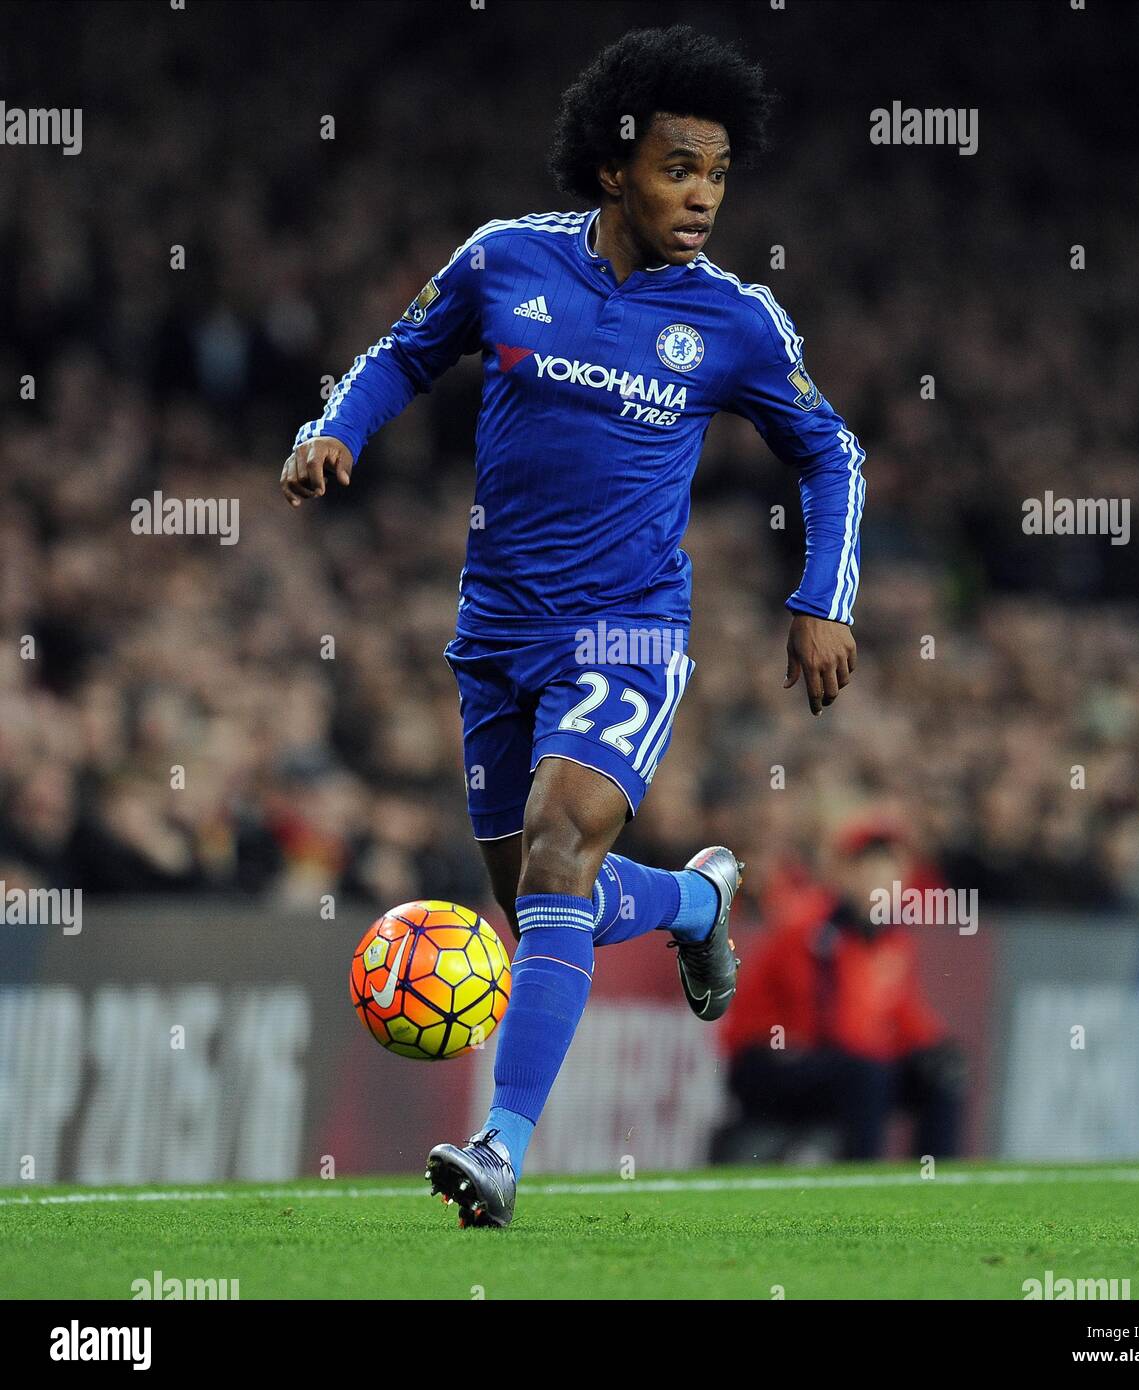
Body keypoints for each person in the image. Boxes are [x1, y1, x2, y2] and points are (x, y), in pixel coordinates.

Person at [280, 25, 865, 1226]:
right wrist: (337, 425)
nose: (701, 195)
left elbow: (831, 451)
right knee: (547, 899)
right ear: (613, 167)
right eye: (676, 168)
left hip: (627, 634)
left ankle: (500, 1147)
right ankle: (698, 904)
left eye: (716, 172)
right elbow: (403, 353)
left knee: (558, 849)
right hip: (494, 632)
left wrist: (821, 599)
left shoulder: (738, 323)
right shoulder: (504, 261)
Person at [718, 820, 964, 1160]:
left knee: (941, 1075)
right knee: (866, 1073)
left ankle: (932, 1191)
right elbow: (823, 1021)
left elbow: (903, 1011)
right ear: (846, 874)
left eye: (891, 874)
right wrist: (880, 1053)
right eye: (872, 872)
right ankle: (859, 1189)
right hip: (769, 1059)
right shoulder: (811, 930)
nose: (883, 884)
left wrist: (935, 1048)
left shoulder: (890, 939)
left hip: (842, 1061)